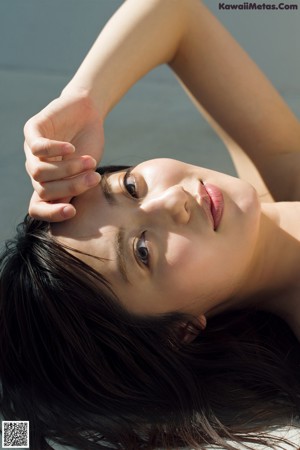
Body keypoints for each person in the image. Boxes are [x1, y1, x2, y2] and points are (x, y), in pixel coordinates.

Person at [1, 0, 300, 449]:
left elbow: (175, 14)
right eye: (142, 251)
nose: (174, 200)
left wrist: (84, 100)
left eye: (131, 187)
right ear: (181, 330)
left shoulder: (282, 172)